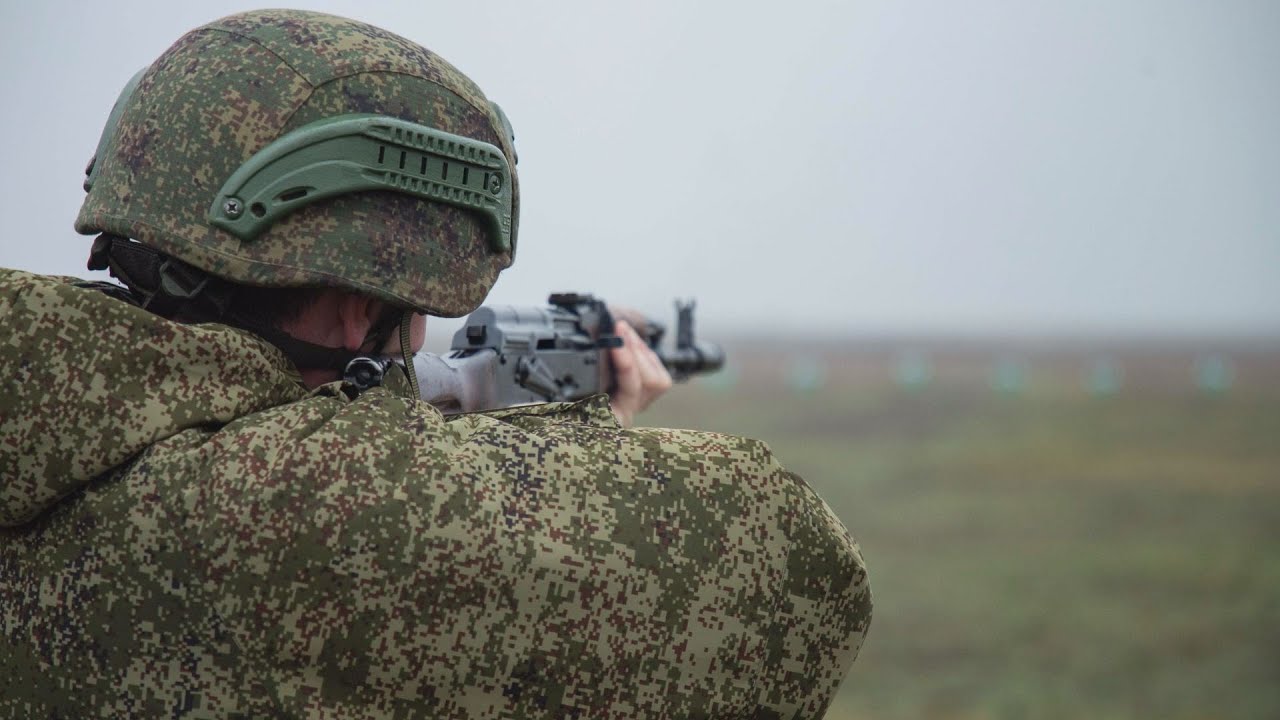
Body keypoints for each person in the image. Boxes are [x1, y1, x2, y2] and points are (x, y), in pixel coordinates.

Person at [0, 9, 870, 718]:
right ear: (359, 305)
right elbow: (801, 571)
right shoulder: (274, 514)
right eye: (414, 316)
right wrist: (583, 440)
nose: (418, 342)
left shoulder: (50, 409)